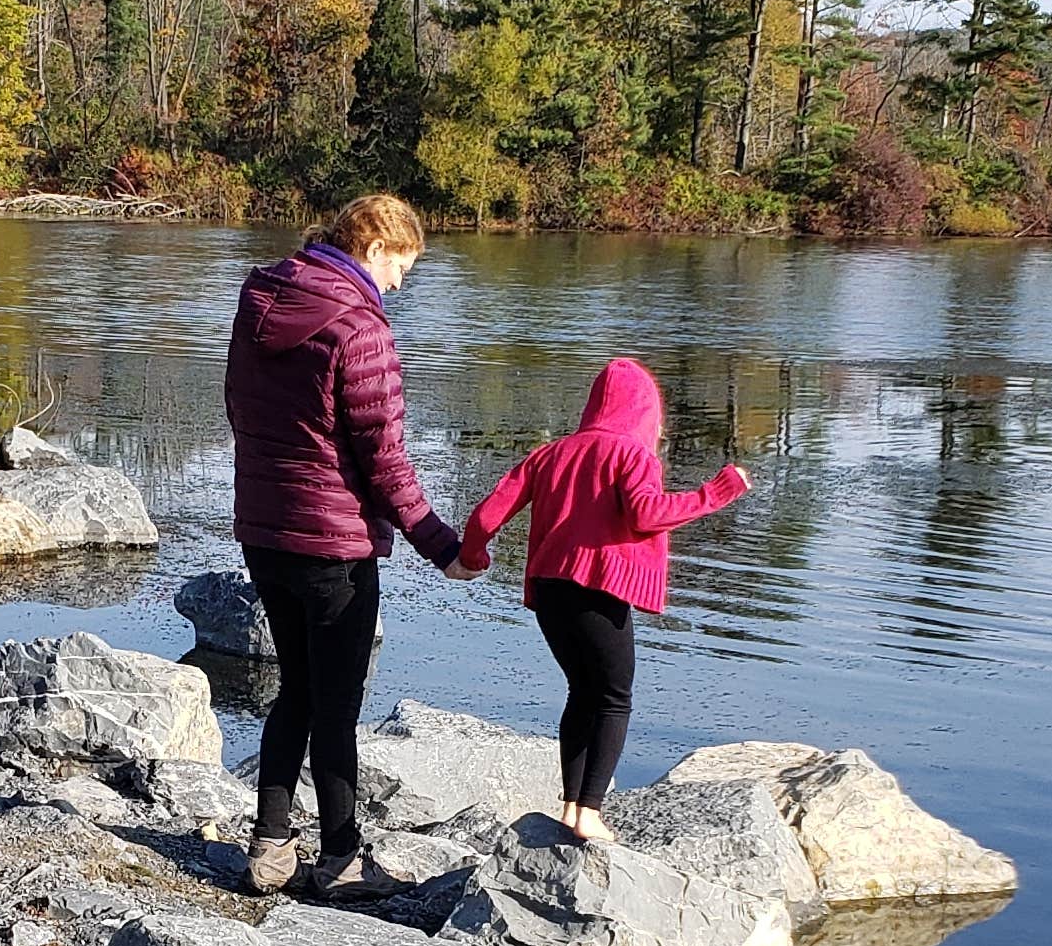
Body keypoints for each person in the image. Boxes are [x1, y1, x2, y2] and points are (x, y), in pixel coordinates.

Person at [225, 191, 463, 899]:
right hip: (334, 542)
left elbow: (239, 407)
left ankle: (269, 849)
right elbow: (384, 457)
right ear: (374, 249)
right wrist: (439, 543)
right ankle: (341, 859)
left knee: (293, 688)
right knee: (337, 703)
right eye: (401, 268)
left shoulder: (260, 296)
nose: (399, 285)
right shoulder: (360, 329)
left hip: (264, 530)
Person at [457, 357, 747, 838]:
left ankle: (571, 807)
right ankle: (589, 812)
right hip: (599, 590)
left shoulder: (550, 454)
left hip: (549, 591)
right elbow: (647, 515)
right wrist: (715, 493)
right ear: (645, 413)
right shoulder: (633, 456)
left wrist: (472, 557)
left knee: (581, 692)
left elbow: (488, 514)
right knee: (614, 698)